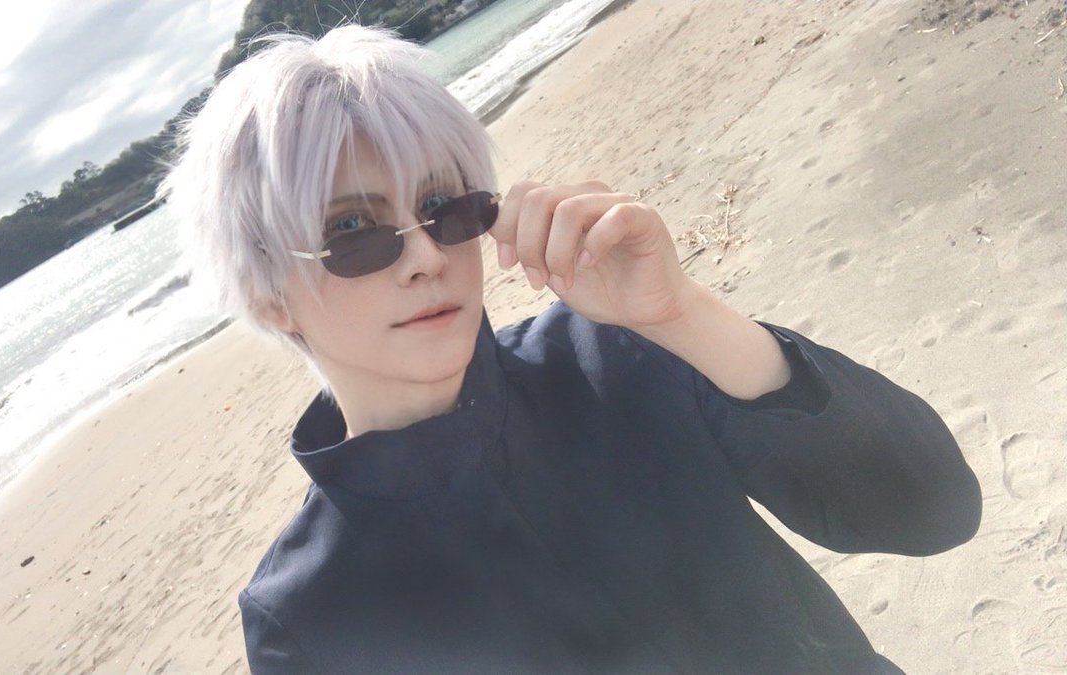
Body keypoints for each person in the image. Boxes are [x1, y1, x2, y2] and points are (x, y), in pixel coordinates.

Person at [161, 24, 982, 674]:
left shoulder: (622, 355)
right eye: (351, 229)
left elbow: (931, 508)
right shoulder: (308, 611)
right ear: (268, 291)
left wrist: (682, 312)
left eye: (444, 205)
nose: (425, 255)